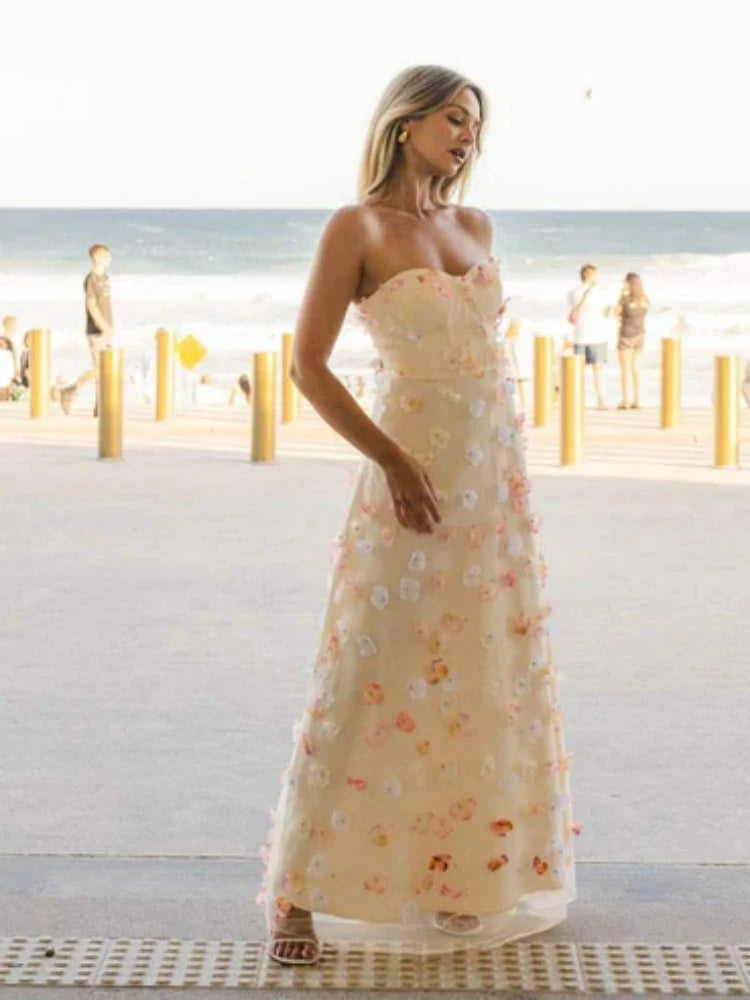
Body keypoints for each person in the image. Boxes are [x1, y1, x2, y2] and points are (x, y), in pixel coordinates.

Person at [258, 65, 578, 966]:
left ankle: (461, 874)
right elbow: (308, 366)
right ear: (406, 123)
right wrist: (393, 461)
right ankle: (297, 895)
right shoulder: (356, 227)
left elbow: (484, 359)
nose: (468, 136)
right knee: (369, 666)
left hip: (492, 486)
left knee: (480, 674)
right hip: (408, 474)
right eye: (453, 118)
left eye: (475, 123)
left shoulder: (475, 227)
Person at [60, 244, 114, 416]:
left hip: (106, 329)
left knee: (105, 370)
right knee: (100, 368)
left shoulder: (105, 278)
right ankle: (72, 388)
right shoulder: (91, 279)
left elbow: (105, 304)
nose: (109, 260)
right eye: (105, 256)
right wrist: (102, 325)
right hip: (96, 330)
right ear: (96, 258)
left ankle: (100, 407)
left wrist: (110, 326)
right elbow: (91, 306)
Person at [567, 264, 610, 409]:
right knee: (598, 370)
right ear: (589, 275)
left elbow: (572, 308)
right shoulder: (599, 292)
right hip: (597, 334)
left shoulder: (573, 292)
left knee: (579, 370)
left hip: (579, 334)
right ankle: (600, 401)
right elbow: (605, 312)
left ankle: (577, 400)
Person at [614, 272, 649, 409]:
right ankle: (637, 399)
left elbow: (616, 312)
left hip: (626, 335)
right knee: (635, 368)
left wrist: (622, 293)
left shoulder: (625, 299)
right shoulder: (644, 299)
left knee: (625, 370)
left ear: (628, 283)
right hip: (640, 335)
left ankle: (625, 400)